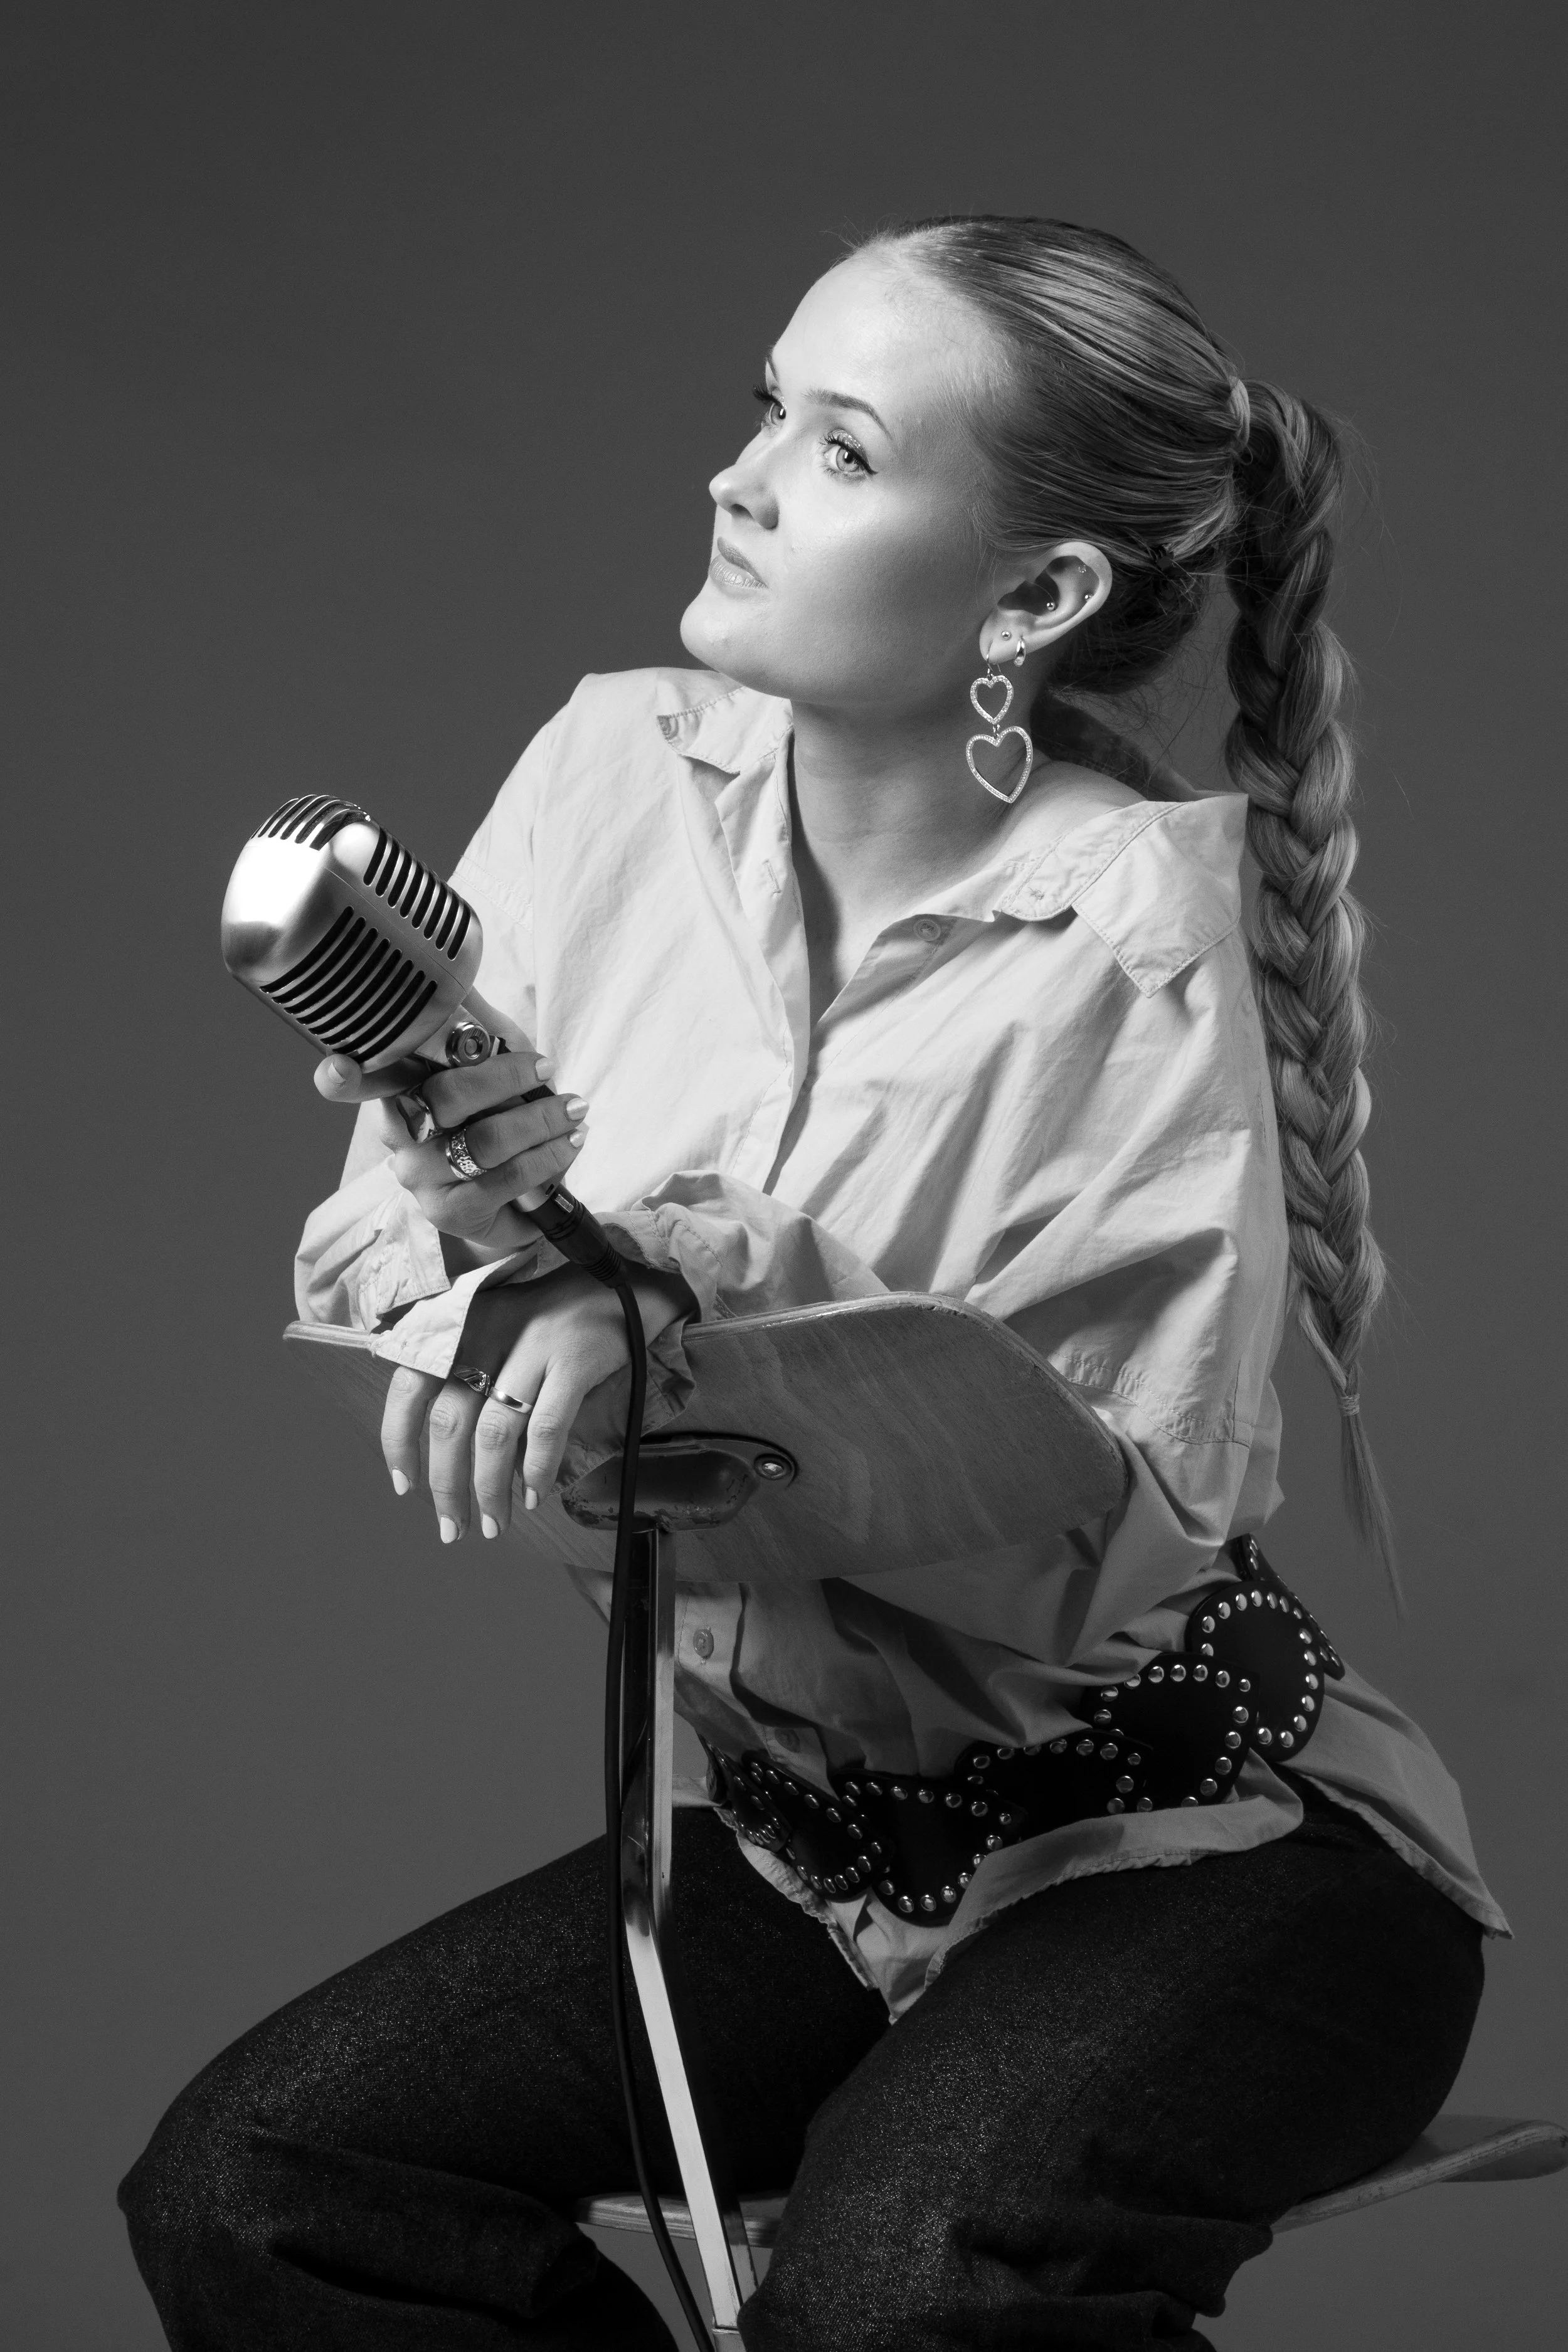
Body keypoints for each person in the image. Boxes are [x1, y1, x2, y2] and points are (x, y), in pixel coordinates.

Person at [120, 215, 1503, 2352]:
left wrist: (657, 1281)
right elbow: (389, 1251)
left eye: (840, 448)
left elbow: (1083, 1506)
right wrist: (479, 1226)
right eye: (763, 405)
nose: (738, 476)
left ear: (1034, 598)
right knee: (265, 2185)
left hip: (1195, 1844)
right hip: (815, 1859)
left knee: (901, 2289)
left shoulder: (1135, 945)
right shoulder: (606, 770)